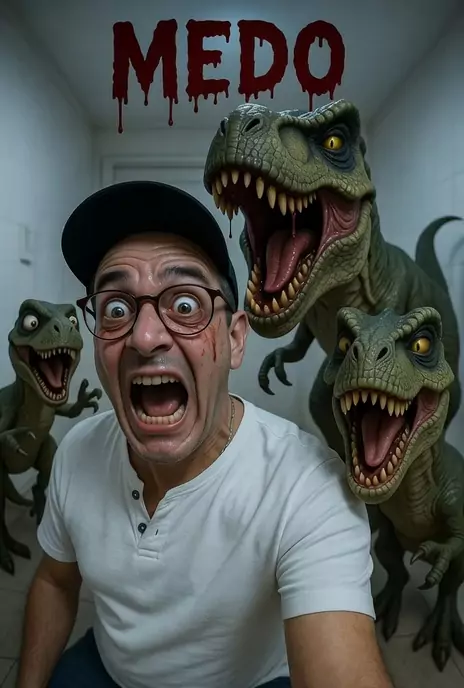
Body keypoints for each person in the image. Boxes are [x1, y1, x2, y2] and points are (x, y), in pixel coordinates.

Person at [16, 181, 393, 688]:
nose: (144, 336)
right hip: (107, 669)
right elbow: (55, 581)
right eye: (116, 309)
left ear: (235, 339)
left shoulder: (308, 487)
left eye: (186, 305)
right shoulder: (78, 450)